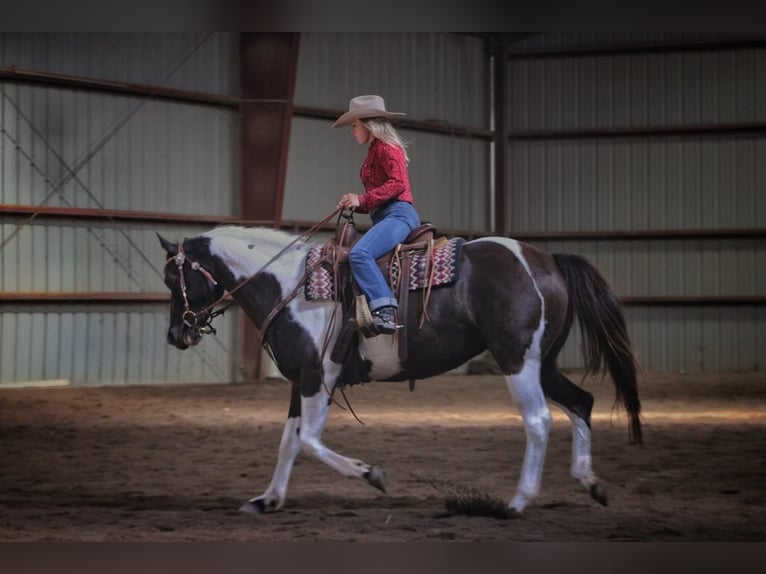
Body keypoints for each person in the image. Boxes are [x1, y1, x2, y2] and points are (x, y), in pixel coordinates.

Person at [333, 94, 421, 335]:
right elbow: (380, 194)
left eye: (354, 125)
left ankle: (385, 310)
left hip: (399, 215)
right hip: (385, 214)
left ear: (365, 122)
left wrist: (361, 199)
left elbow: (398, 184)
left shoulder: (386, 148)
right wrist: (356, 205)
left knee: (360, 254)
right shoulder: (375, 150)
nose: (352, 131)